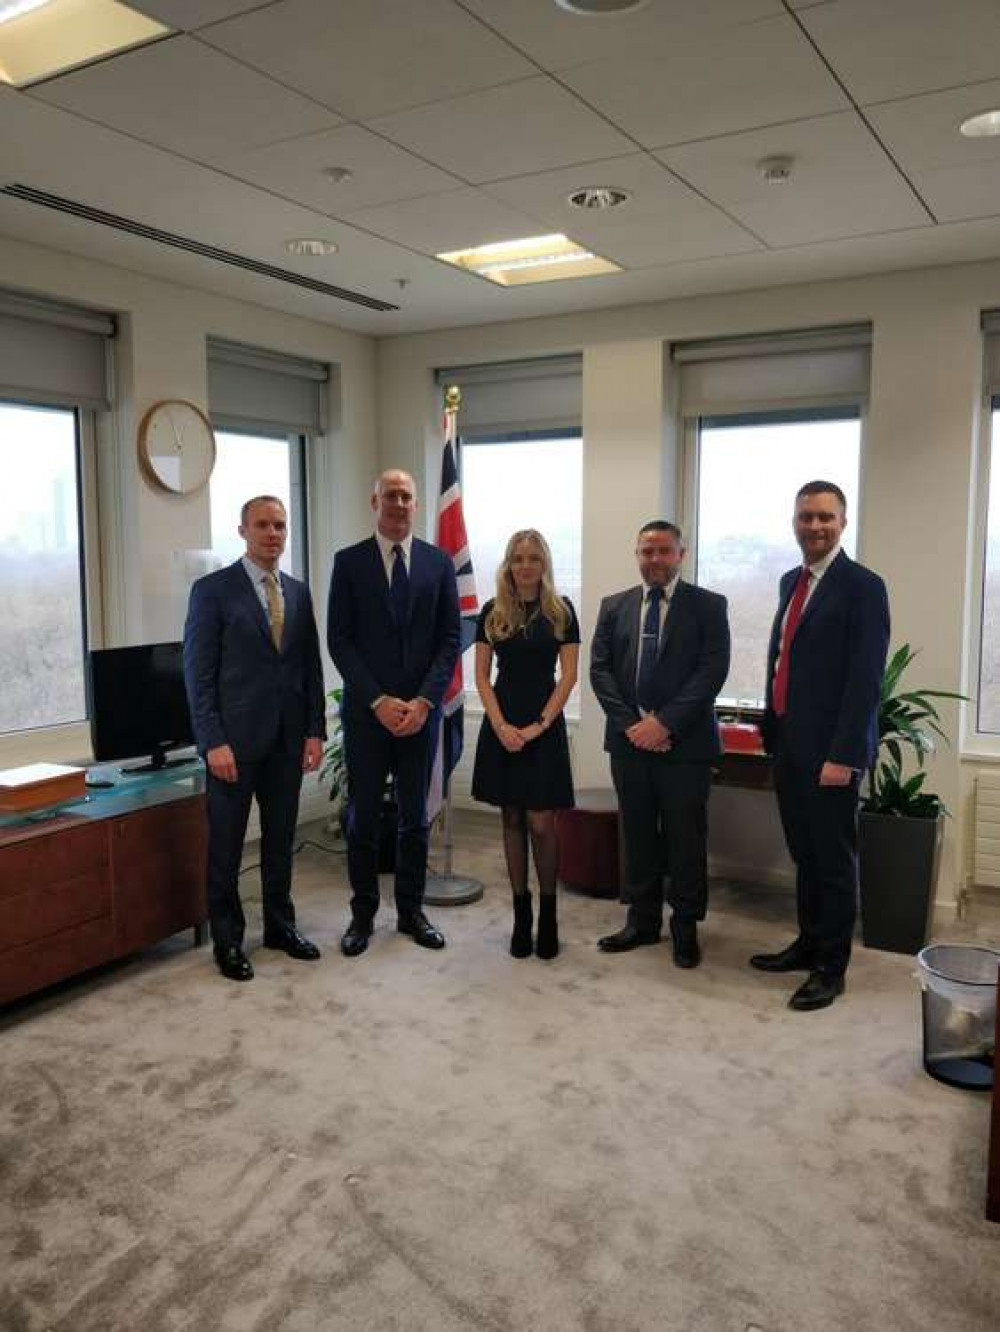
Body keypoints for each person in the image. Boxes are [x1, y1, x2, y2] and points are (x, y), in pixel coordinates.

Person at [752, 481, 890, 1011]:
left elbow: (865, 680)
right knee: (804, 854)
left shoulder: (863, 586)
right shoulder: (792, 580)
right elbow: (782, 658)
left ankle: (831, 968)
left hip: (833, 752)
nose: (815, 526)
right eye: (806, 516)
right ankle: (808, 944)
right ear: (794, 521)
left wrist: (846, 754)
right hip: (789, 744)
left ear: (843, 522)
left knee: (833, 860)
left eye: (825, 517)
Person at [183, 495, 326, 982]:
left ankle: (280, 928)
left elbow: (308, 667)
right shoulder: (212, 592)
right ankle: (228, 941)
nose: (273, 533)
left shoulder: (300, 592)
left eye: (280, 525)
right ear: (242, 530)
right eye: (263, 525)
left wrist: (314, 731)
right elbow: (198, 676)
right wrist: (212, 741)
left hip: (287, 741)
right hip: (233, 746)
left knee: (280, 842)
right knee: (225, 846)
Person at [327, 468, 460, 957]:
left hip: (420, 717)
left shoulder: (438, 564)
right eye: (391, 496)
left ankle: (411, 912)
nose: (399, 504)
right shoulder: (348, 562)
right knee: (362, 819)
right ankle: (362, 916)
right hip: (368, 717)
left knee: (414, 820)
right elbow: (338, 640)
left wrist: (424, 701)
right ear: (374, 500)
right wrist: (378, 700)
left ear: (417, 504)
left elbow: (450, 640)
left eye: (407, 496)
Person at [590, 521, 730, 969]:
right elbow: (600, 670)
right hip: (628, 743)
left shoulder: (709, 606)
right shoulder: (614, 606)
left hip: (685, 746)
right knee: (637, 833)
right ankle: (641, 920)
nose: (654, 559)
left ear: (680, 555)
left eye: (664, 551)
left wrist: (665, 723)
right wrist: (634, 724)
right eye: (646, 551)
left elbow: (712, 671)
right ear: (637, 555)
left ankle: (685, 925)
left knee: (685, 838)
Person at [472, 530, 579, 959]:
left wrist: (538, 725)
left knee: (541, 823)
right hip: (502, 725)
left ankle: (549, 914)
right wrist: (499, 724)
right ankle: (521, 916)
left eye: (533, 558)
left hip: (543, 725)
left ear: (544, 563)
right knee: (512, 820)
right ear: (508, 564)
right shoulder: (492, 612)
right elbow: (481, 675)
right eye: (518, 558)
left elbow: (568, 676)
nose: (525, 565)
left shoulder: (561, 611)